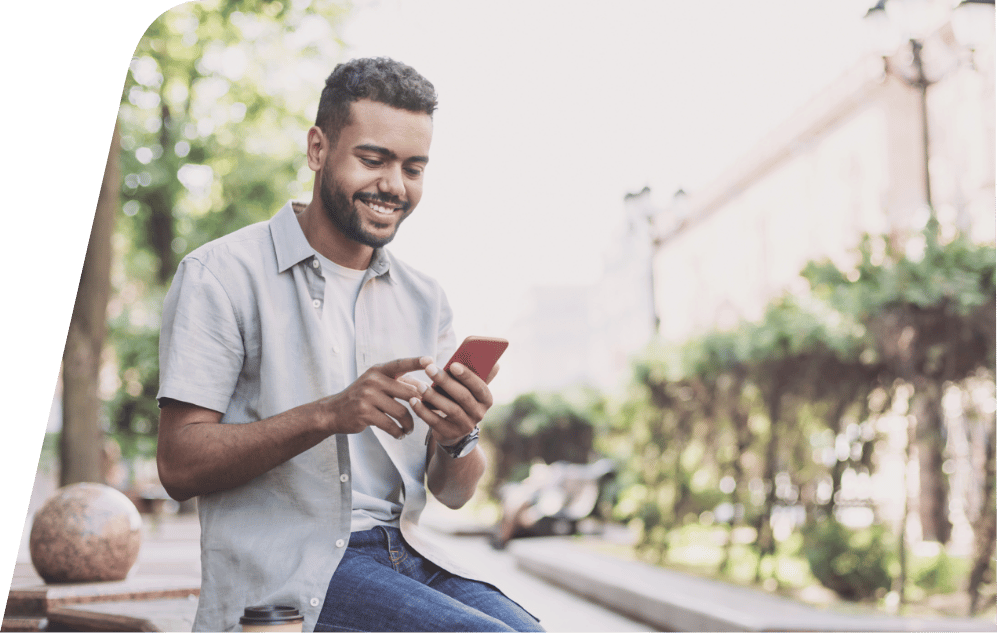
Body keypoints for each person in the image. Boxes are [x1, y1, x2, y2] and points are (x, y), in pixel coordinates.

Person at [156, 57, 544, 633]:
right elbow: (179, 464)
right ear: (317, 150)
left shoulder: (424, 298)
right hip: (289, 573)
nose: (394, 185)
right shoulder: (221, 274)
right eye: (373, 160)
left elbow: (454, 494)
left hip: (407, 556)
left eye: (414, 167)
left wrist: (458, 436)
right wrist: (328, 414)